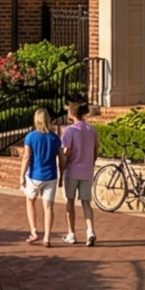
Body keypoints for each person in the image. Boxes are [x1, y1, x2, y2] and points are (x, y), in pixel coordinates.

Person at [58, 99, 99, 246]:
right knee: (86, 202)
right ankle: (90, 231)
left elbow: (66, 152)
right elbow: (95, 152)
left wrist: (61, 171)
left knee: (70, 201)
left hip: (72, 171)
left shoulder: (69, 131)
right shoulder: (91, 130)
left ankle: (72, 233)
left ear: (71, 113)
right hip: (86, 171)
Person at [19, 107, 62, 245]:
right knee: (48, 207)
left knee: (30, 200)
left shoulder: (31, 137)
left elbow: (26, 157)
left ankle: (34, 231)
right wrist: (61, 174)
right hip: (51, 175)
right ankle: (47, 237)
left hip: (34, 175)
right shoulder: (55, 138)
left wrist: (21, 175)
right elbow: (62, 158)